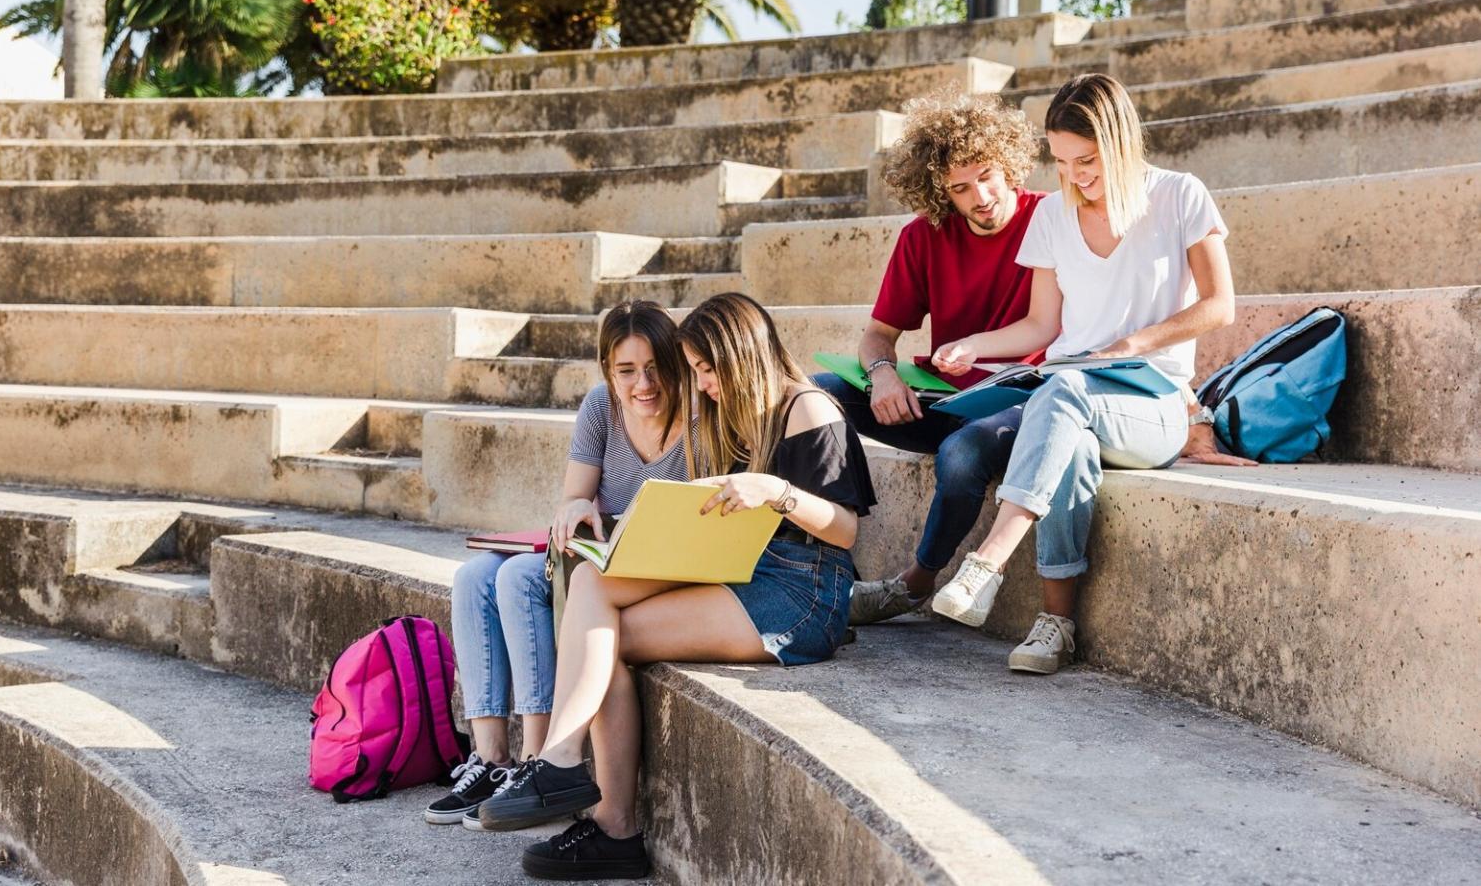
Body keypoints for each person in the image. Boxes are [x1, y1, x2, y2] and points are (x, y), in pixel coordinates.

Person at [474, 292, 877, 881]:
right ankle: (568, 769)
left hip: (803, 593)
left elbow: (844, 532)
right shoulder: (730, 412)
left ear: (741, 358)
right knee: (593, 594)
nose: (701, 384)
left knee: (604, 637)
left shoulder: (808, 409)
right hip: (737, 564)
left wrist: (773, 491)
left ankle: (608, 819)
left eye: (706, 370)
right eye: (694, 371)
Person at [927, 72, 1254, 675]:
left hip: (1153, 402)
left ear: (1122, 143)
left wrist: (1137, 342)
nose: (1075, 176)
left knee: (1065, 391)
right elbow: (1040, 328)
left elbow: (1220, 306)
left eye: (1088, 160)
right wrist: (973, 345)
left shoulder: (1181, 195)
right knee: (1066, 417)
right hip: (1073, 393)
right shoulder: (1052, 215)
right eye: (1060, 161)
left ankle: (989, 562)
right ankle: (1057, 625)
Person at [425, 300, 694, 825]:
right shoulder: (600, 407)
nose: (644, 383)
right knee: (476, 573)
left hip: (653, 568)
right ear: (606, 371)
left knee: (519, 576)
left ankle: (538, 760)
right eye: (626, 371)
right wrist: (575, 508)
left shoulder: (700, 417)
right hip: (600, 557)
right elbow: (575, 497)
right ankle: (493, 759)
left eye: (655, 367)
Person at [811, 91, 1049, 626]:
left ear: (1010, 161)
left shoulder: (1051, 219)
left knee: (962, 454)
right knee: (815, 395)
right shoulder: (924, 235)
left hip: (1026, 404)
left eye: (987, 176)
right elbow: (877, 335)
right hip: (947, 399)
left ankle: (912, 585)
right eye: (960, 189)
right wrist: (883, 376)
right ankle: (828, 550)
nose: (981, 197)